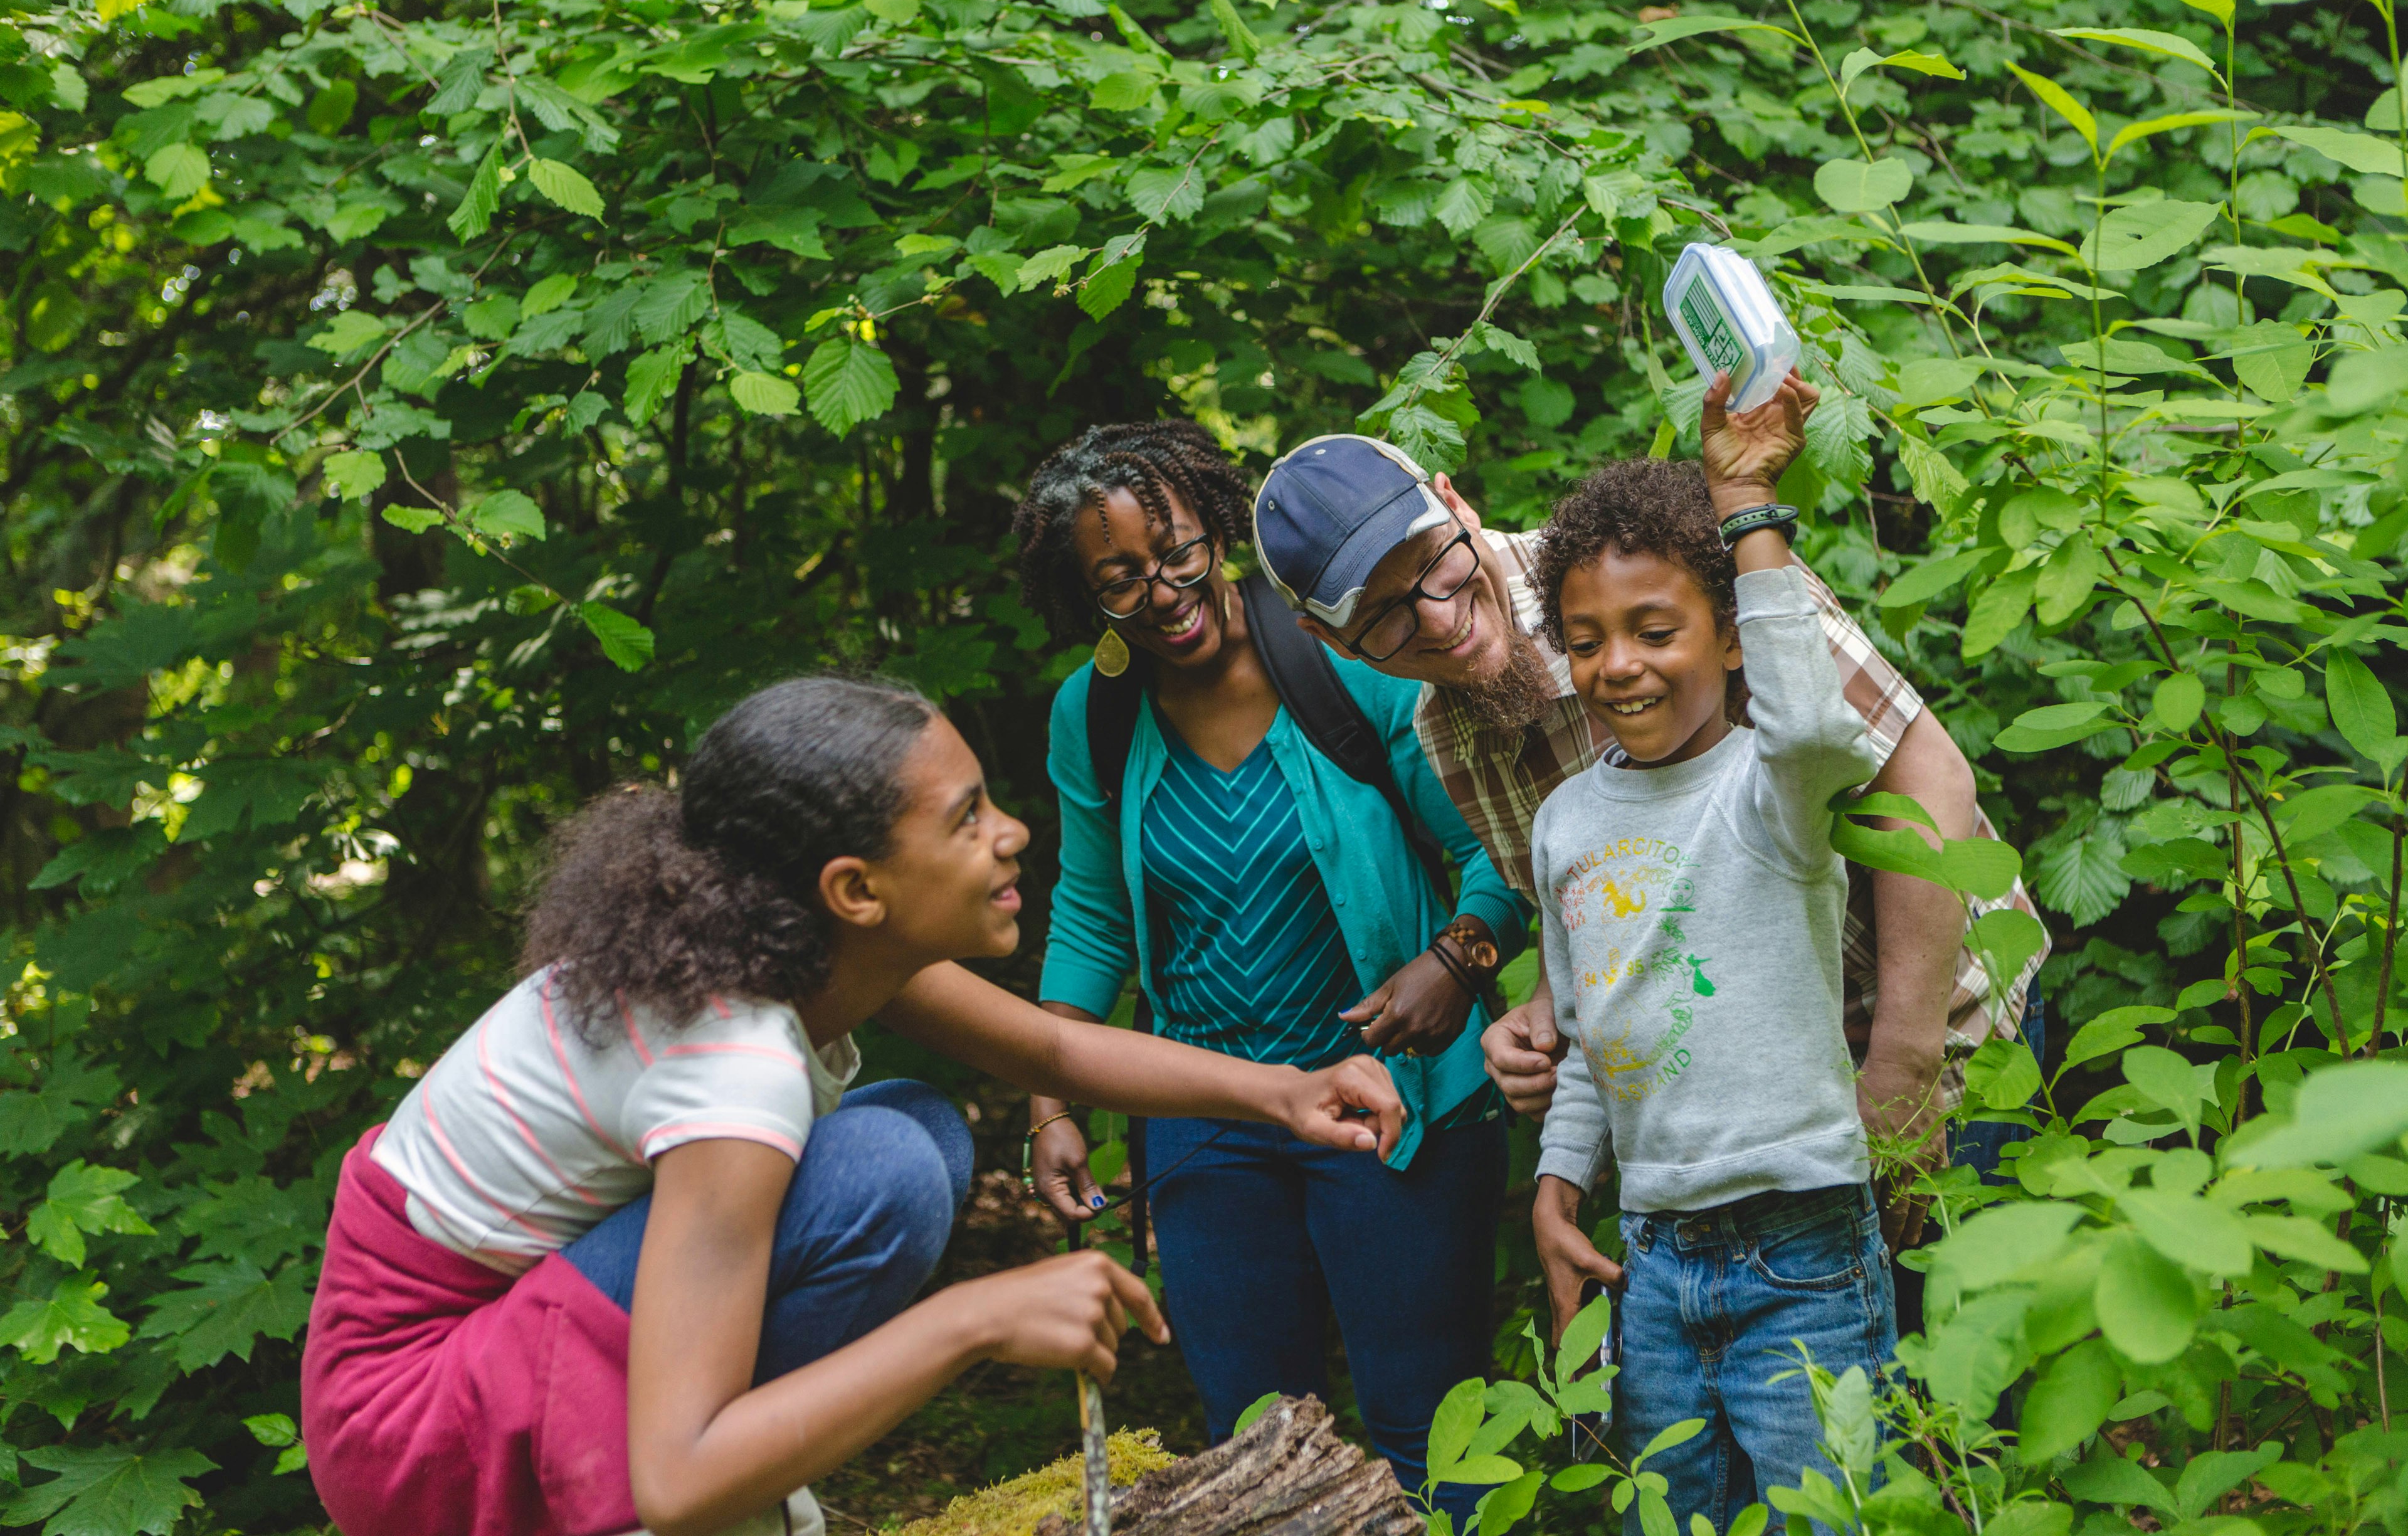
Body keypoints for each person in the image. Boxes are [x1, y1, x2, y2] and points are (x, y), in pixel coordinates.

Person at [302, 676, 1407, 1536]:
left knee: (915, 1128)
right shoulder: (735, 1066)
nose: (1012, 833)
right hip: (418, 1434)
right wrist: (974, 1317)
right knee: (884, 1169)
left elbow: (1060, 1045)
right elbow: (676, 1480)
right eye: (968, 819)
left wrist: (1285, 1091)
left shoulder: (805, 951)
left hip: (478, 1363)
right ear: (856, 891)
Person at [1250, 383, 2046, 1266]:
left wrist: (1904, 1064)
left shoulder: (1654, 573)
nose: (1440, 617)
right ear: (1330, 642)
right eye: (1388, 617)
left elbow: (1925, 776)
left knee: (1966, 1370)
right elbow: (1600, 920)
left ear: (1454, 503)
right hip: (1768, 1118)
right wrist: (1544, 1012)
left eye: (1436, 566)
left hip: (1938, 1032)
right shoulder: (1449, 735)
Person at [1008, 421, 1528, 1521]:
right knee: (1248, 1441)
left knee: (1427, 1432)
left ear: (1219, 529)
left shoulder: (1346, 660)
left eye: (1180, 552)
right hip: (1203, 1119)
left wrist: (1456, 962)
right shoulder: (1092, 717)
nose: (1164, 592)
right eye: (1121, 580)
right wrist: (1050, 1100)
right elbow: (1093, 913)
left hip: (1393, 1105)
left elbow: (1498, 846)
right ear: (1083, 598)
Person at [1523, 405, 1894, 1529]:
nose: (1617, 667)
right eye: (1586, 641)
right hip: (1650, 1261)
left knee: (1827, 1517)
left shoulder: (1772, 791)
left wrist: (1746, 514)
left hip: (1804, 1249)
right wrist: (1555, 1186)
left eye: (1654, 630)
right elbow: (1592, 1034)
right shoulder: (1563, 823)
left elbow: (1818, 730)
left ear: (1730, 637)